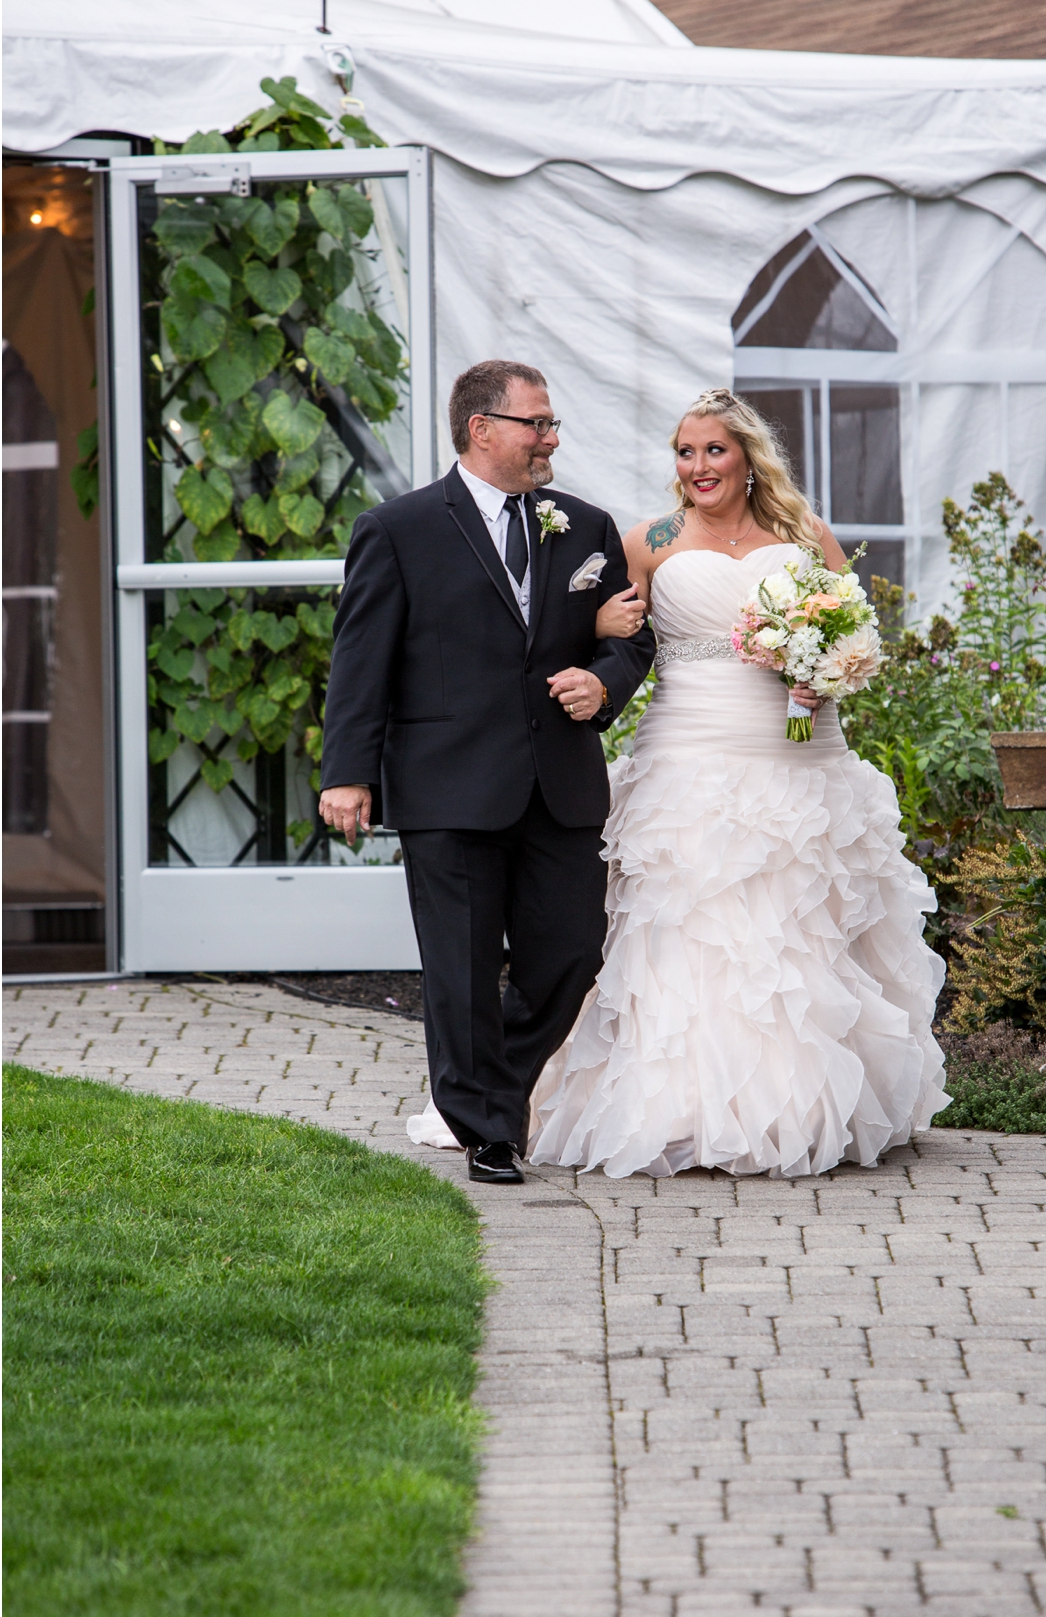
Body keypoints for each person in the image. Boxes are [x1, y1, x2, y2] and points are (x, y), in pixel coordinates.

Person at [529, 387, 949, 1178]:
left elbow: (855, 630)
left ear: (749, 458)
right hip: (688, 752)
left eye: (713, 451)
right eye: (684, 453)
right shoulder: (648, 540)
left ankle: (800, 1104)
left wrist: (829, 671)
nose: (697, 467)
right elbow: (596, 630)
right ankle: (679, 1108)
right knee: (691, 928)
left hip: (802, 753)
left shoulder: (802, 534)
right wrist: (602, 628)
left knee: (799, 930)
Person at [319, 360, 656, 1184]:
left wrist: (604, 680)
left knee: (573, 952)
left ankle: (479, 1087)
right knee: (460, 968)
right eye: (536, 423)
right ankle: (489, 1131)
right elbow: (361, 660)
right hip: (448, 783)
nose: (551, 438)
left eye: (550, 424)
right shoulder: (398, 529)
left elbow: (631, 636)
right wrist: (347, 773)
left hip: (559, 782)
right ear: (482, 428)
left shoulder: (584, 525)